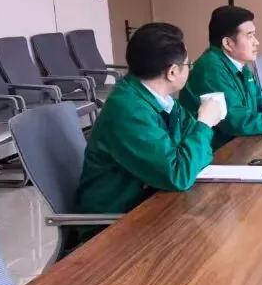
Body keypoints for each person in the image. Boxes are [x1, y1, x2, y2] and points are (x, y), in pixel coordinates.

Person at [75, 23, 221, 217]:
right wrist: (204, 123)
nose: (190, 68)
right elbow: (179, 174)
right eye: (188, 64)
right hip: (117, 220)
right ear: (172, 72)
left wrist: (195, 144)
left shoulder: (160, 99)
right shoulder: (128, 111)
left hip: (153, 200)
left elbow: (201, 152)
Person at [181, 6, 262, 149]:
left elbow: (261, 102)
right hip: (219, 153)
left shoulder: (238, 64)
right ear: (228, 43)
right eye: (249, 36)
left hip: (241, 144)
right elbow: (239, 122)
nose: (256, 42)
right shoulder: (210, 69)